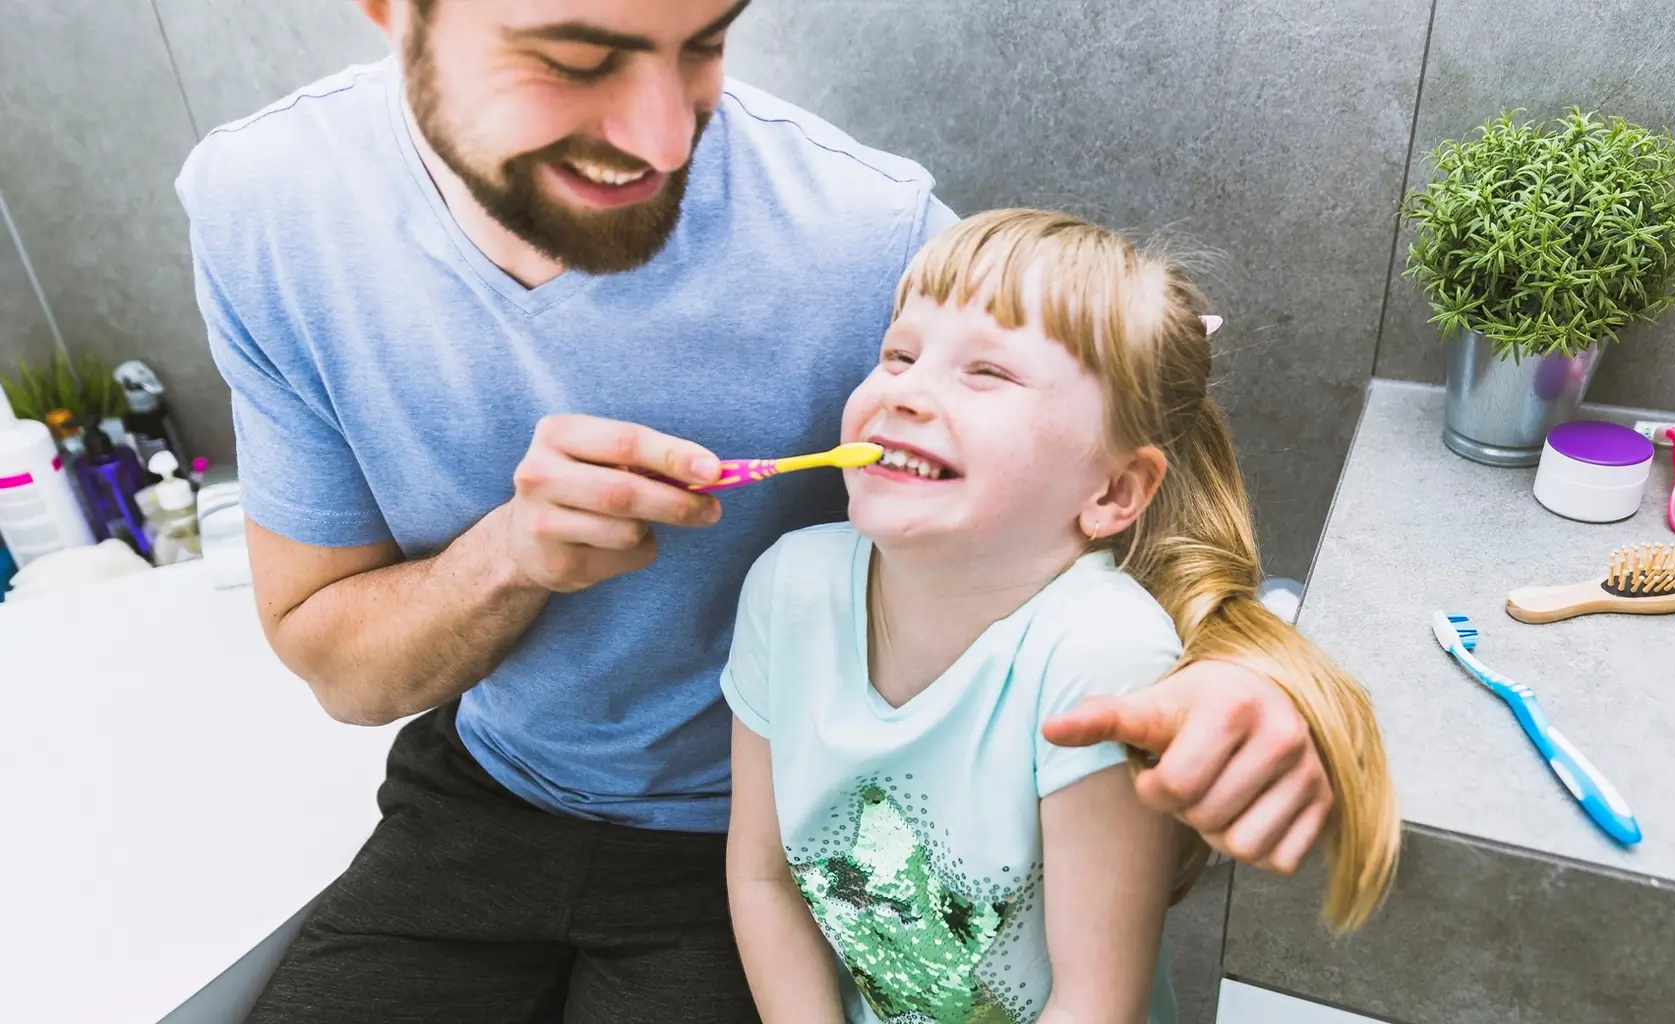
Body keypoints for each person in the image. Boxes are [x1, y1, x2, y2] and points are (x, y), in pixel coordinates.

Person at [175, 2, 1350, 1020]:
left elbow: (1124, 472)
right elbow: (340, 666)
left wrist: (1259, 679)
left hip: (737, 829)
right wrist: (508, 555)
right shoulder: (262, 207)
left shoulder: (864, 231)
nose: (661, 135)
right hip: (481, 794)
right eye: (577, 57)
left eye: (702, 44)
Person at [722, 209, 1399, 1024]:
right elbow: (761, 876)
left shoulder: (1100, 656)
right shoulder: (786, 588)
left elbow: (1094, 1001)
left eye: (987, 373)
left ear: (1113, 492)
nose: (904, 390)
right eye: (899, 354)